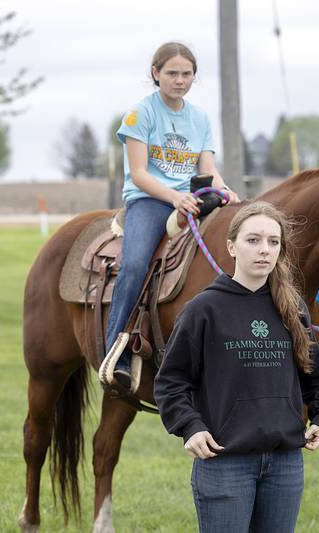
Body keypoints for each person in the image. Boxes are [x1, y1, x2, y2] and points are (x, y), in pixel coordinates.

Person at [154, 201, 319, 533]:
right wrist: (190, 426)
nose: (264, 250)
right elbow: (171, 382)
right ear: (232, 247)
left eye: (273, 242)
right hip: (226, 461)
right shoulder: (203, 309)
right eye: (253, 240)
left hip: (285, 464)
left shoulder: (292, 307)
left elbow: (314, 373)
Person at [99, 42, 239, 393]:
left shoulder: (200, 118)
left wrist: (229, 193)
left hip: (193, 197)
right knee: (133, 265)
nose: (180, 80)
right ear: (156, 74)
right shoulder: (139, 115)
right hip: (151, 201)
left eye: (187, 74)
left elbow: (207, 168)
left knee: (244, 243)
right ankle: (113, 351)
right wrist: (176, 197)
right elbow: (140, 173)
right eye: (172, 73)